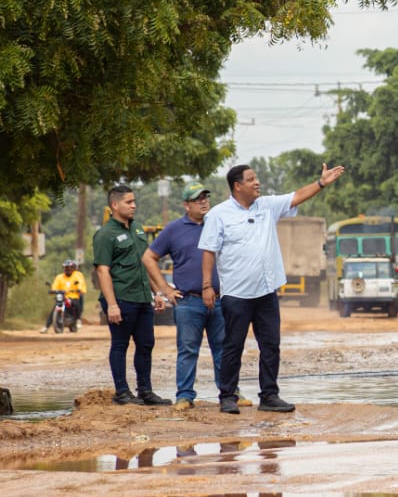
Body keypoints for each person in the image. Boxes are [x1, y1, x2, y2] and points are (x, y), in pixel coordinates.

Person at [199, 162, 345, 415]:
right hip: (236, 293)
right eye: (251, 179)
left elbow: (297, 196)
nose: (257, 183)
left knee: (271, 345)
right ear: (237, 186)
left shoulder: (267, 205)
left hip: (266, 291)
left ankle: (269, 396)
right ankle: (227, 396)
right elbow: (209, 252)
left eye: (257, 179)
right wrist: (207, 286)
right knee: (233, 345)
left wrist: (321, 183)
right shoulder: (218, 215)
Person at [143, 182, 250, 412]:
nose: (203, 201)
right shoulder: (173, 229)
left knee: (224, 348)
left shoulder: (218, 224)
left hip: (221, 300)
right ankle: (184, 395)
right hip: (189, 301)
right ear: (186, 205)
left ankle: (230, 392)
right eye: (197, 199)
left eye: (205, 197)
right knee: (188, 349)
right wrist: (164, 289)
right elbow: (148, 257)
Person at [92, 184, 171, 406]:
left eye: (134, 201)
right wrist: (112, 304)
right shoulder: (105, 235)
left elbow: (145, 263)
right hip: (121, 298)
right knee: (120, 345)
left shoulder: (137, 229)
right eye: (129, 202)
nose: (134, 205)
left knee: (146, 344)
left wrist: (156, 293)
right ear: (115, 205)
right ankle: (122, 392)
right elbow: (103, 271)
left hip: (142, 298)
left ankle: (145, 391)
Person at [42, 259, 87, 333]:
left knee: (77, 305)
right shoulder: (59, 277)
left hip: (73, 296)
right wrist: (53, 290)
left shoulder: (77, 276)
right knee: (54, 309)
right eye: (66, 268)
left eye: (69, 268)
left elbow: (80, 284)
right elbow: (55, 286)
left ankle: (78, 319)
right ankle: (46, 327)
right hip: (62, 296)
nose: (67, 270)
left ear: (73, 269)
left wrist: (79, 289)